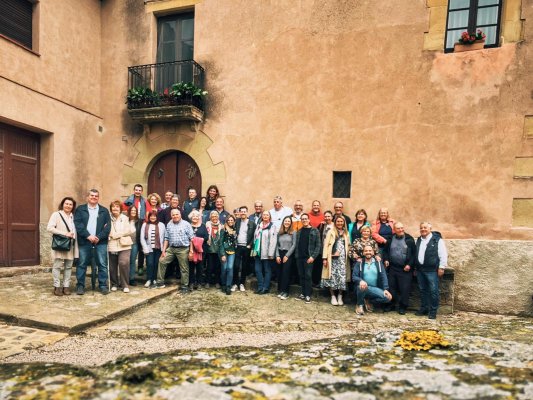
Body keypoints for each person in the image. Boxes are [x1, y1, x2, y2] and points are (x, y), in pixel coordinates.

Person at [74, 189, 111, 295]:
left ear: (98, 198)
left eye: (96, 196)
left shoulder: (104, 211)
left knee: (102, 264)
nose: (94, 197)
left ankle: (103, 285)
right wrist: (88, 236)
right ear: (88, 197)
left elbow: (108, 227)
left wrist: (98, 237)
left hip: (100, 242)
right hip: (85, 241)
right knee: (82, 264)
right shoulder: (80, 209)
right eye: (92, 195)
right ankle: (80, 286)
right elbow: (78, 224)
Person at [413, 222, 448, 319]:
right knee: (423, 290)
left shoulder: (437, 240)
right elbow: (417, 254)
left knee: (433, 291)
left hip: (432, 270)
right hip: (420, 270)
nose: (423, 229)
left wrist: (442, 267)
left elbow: (443, 254)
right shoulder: (419, 239)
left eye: (425, 227)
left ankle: (433, 311)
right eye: (421, 228)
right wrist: (416, 267)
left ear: (430, 229)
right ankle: (424, 308)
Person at [156, 209, 194, 294]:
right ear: (171, 215)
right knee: (162, 261)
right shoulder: (169, 224)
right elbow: (166, 238)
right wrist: (164, 251)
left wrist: (191, 251)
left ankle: (184, 286)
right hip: (171, 248)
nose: (175, 216)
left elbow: (192, 239)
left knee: (184, 268)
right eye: (173, 215)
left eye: (177, 214)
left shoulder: (186, 224)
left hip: (183, 249)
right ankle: (159, 282)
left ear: (180, 215)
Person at [383, 222, 416, 314]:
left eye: (402, 228)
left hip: (405, 269)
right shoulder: (390, 239)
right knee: (391, 287)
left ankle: (403, 307)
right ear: (394, 230)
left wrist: (409, 264)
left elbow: (414, 254)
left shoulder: (409, 239)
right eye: (398, 228)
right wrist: (386, 259)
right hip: (392, 267)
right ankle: (391, 305)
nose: (401, 230)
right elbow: (385, 251)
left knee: (404, 289)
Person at [47, 196, 78, 296]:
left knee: (68, 266)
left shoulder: (74, 216)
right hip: (60, 244)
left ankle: (66, 286)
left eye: (70, 204)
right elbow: (50, 228)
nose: (68, 206)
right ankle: (56, 287)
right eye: (66, 203)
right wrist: (65, 233)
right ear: (63, 204)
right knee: (57, 266)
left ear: (73, 206)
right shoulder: (56, 214)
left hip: (71, 245)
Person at [353, 245, 393, 315]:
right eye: (366, 251)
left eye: (370, 251)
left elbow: (384, 276)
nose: (368, 252)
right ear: (363, 253)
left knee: (388, 298)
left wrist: (386, 289)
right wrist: (360, 281)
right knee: (361, 286)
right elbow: (354, 276)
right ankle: (359, 305)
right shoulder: (359, 263)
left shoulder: (378, 263)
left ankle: (369, 301)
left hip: (374, 288)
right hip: (362, 288)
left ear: (373, 252)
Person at [322, 215, 351, 306]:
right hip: (332, 259)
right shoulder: (331, 232)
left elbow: (349, 245)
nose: (339, 223)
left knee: (342, 277)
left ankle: (340, 295)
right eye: (338, 221)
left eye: (341, 221)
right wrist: (325, 258)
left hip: (343, 259)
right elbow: (326, 245)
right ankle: (333, 296)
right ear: (335, 222)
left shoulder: (346, 233)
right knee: (332, 277)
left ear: (344, 223)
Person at [108, 200, 136, 293]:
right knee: (112, 265)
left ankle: (125, 284)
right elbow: (106, 230)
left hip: (124, 244)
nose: (115, 208)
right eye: (113, 206)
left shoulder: (125, 218)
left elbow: (127, 230)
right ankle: (114, 284)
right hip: (111, 244)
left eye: (117, 206)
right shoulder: (107, 217)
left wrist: (115, 235)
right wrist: (112, 234)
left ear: (120, 209)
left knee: (123, 263)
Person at [294, 213, 321, 304]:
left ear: (309, 220)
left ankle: (308, 295)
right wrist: (297, 256)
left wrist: (313, 257)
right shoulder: (299, 231)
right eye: (303, 219)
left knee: (308, 276)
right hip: (299, 257)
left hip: (308, 258)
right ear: (301, 221)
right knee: (301, 276)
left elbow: (318, 245)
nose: (304, 220)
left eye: (306, 219)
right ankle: (303, 293)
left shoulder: (314, 231)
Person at [252, 210, 278, 294]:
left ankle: (265, 288)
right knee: (257, 270)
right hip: (257, 251)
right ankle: (260, 287)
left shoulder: (272, 226)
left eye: (267, 215)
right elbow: (255, 238)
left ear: (269, 217)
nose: (265, 216)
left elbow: (273, 241)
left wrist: (271, 253)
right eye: (264, 215)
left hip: (266, 253)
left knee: (267, 270)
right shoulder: (259, 226)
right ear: (262, 216)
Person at [140, 210, 165, 288]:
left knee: (156, 264)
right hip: (149, 248)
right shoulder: (145, 225)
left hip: (158, 248)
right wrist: (145, 248)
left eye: (154, 216)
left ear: (157, 217)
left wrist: (163, 248)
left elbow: (164, 237)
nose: (153, 217)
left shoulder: (161, 225)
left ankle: (154, 279)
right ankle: (149, 279)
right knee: (150, 264)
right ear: (149, 217)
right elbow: (142, 238)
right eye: (151, 216)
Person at [233, 205, 255, 292]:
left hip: (246, 247)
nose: (243, 213)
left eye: (244, 211)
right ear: (239, 212)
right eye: (241, 211)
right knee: (236, 265)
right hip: (237, 246)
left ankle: (242, 283)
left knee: (245, 266)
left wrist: (250, 244)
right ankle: (235, 283)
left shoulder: (252, 223)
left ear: (247, 212)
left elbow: (255, 235)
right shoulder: (237, 221)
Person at [275, 216, 296, 300]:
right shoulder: (280, 233)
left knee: (286, 273)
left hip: (288, 254)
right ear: (283, 222)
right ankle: (281, 290)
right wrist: (277, 255)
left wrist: (287, 255)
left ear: (290, 223)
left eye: (288, 221)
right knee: (280, 272)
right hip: (280, 253)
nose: (287, 222)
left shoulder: (293, 232)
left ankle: (286, 292)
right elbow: (276, 245)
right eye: (285, 221)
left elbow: (294, 245)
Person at [188, 210, 208, 290]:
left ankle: (199, 283)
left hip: (201, 250)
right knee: (191, 267)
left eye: (197, 216)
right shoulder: (188, 226)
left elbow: (206, 237)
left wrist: (197, 241)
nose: (195, 218)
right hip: (191, 249)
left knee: (200, 267)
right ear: (191, 218)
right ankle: (191, 283)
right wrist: (192, 245)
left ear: (199, 217)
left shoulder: (203, 226)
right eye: (193, 216)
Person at [219, 215, 237, 295]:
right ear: (226, 221)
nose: (230, 221)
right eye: (228, 220)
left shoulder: (235, 229)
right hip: (224, 251)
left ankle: (228, 286)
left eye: (231, 220)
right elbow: (220, 242)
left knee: (230, 268)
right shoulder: (223, 230)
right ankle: (223, 284)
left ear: (234, 221)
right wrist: (222, 254)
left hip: (232, 251)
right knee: (224, 268)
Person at [205, 210, 222, 288]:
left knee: (218, 267)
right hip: (210, 249)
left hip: (218, 249)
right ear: (210, 217)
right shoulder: (207, 225)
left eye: (216, 216)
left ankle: (217, 282)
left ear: (218, 217)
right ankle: (207, 282)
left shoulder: (221, 226)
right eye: (213, 216)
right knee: (209, 266)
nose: (214, 218)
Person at [127, 205, 143, 285]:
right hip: (125, 244)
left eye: (135, 211)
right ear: (129, 211)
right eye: (132, 210)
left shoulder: (139, 221)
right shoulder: (125, 220)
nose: (133, 212)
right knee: (125, 262)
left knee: (132, 261)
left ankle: (131, 279)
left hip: (135, 244)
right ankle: (124, 279)